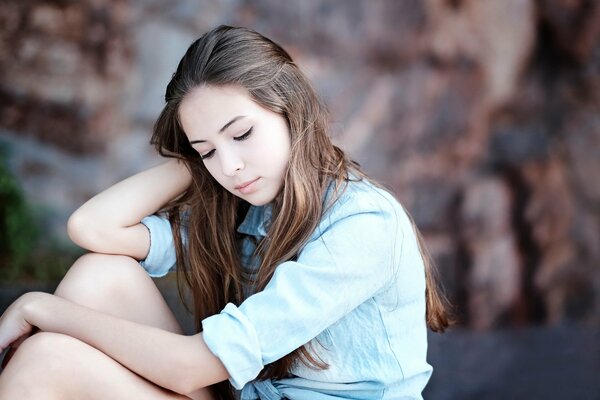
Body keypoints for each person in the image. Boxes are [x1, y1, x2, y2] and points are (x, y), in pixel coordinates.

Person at [0, 25, 451, 400]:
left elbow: (189, 370)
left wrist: (39, 307)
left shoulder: (363, 225)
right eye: (208, 151)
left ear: (291, 111)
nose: (229, 167)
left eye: (241, 134)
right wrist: (195, 159)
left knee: (48, 360)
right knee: (100, 274)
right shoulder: (246, 210)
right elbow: (93, 228)